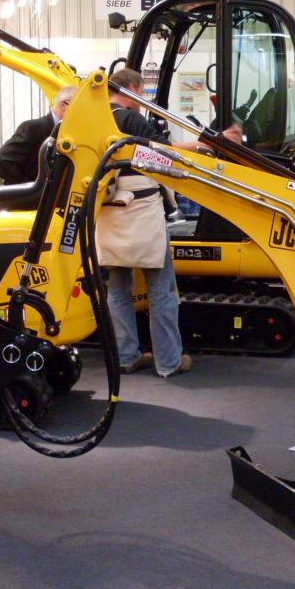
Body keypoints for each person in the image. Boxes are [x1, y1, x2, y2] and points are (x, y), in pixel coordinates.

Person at [96, 69, 191, 377]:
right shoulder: (131, 119)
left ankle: (126, 357)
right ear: (132, 89)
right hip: (143, 212)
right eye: (141, 92)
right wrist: (202, 148)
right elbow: (164, 154)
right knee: (161, 290)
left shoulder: (95, 120)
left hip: (108, 213)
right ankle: (169, 362)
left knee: (117, 289)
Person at [0, 86, 77, 184]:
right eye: (80, 108)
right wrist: (29, 188)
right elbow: (3, 160)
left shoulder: (68, 133)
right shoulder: (33, 128)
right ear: (64, 105)